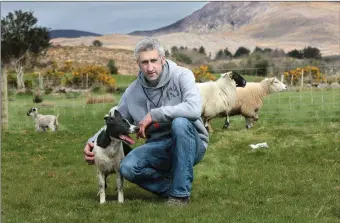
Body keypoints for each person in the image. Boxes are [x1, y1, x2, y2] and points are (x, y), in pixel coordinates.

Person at [84, 37, 209, 205]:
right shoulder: (132, 92)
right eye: (144, 62)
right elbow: (116, 122)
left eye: (154, 61)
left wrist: (154, 115)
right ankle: (171, 187)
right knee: (127, 167)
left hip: (192, 143)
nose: (150, 68)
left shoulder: (182, 76)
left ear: (163, 60)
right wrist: (92, 142)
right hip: (158, 146)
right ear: (138, 64)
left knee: (180, 123)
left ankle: (180, 196)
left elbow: (194, 109)